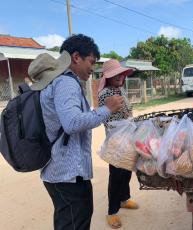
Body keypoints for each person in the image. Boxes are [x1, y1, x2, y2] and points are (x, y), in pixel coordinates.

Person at [30, 34, 124, 230]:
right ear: (76, 57)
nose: (92, 68)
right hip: (67, 173)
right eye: (91, 61)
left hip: (60, 172)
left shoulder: (56, 83)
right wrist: (106, 109)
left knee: (68, 221)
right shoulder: (65, 83)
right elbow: (72, 122)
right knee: (75, 222)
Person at [97, 59, 138, 229]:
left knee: (127, 169)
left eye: (121, 74)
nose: (120, 77)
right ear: (108, 77)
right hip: (115, 139)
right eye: (116, 75)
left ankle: (124, 199)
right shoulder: (106, 93)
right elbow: (122, 111)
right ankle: (112, 212)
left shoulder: (120, 89)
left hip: (126, 136)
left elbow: (127, 111)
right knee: (116, 175)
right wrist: (128, 112)